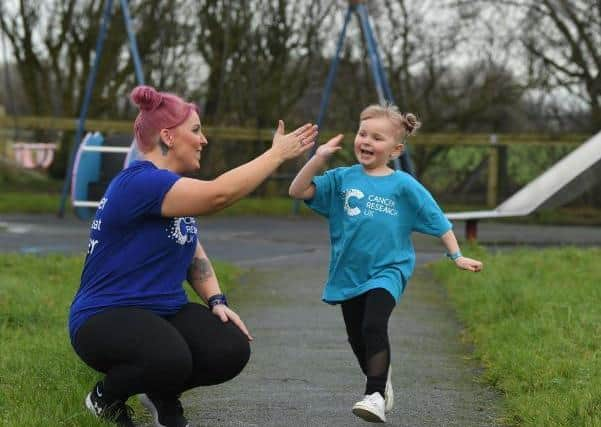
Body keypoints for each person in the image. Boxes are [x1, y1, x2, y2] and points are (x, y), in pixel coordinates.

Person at [68, 85, 318, 427]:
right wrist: (275, 155)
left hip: (159, 315)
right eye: (196, 130)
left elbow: (192, 252)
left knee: (229, 346)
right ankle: (106, 399)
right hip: (104, 318)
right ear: (169, 137)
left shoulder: (170, 189)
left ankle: (160, 393)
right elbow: (219, 195)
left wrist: (216, 299)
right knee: (169, 356)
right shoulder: (141, 183)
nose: (204, 140)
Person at [288, 103, 483, 423]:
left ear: (396, 149)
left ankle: (375, 393)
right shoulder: (341, 179)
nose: (366, 141)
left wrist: (456, 254)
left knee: (373, 325)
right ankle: (381, 378)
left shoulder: (403, 185)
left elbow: (438, 219)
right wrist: (319, 158)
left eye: (377, 137)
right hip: (349, 273)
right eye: (362, 133)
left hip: (388, 270)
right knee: (357, 338)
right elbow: (298, 190)